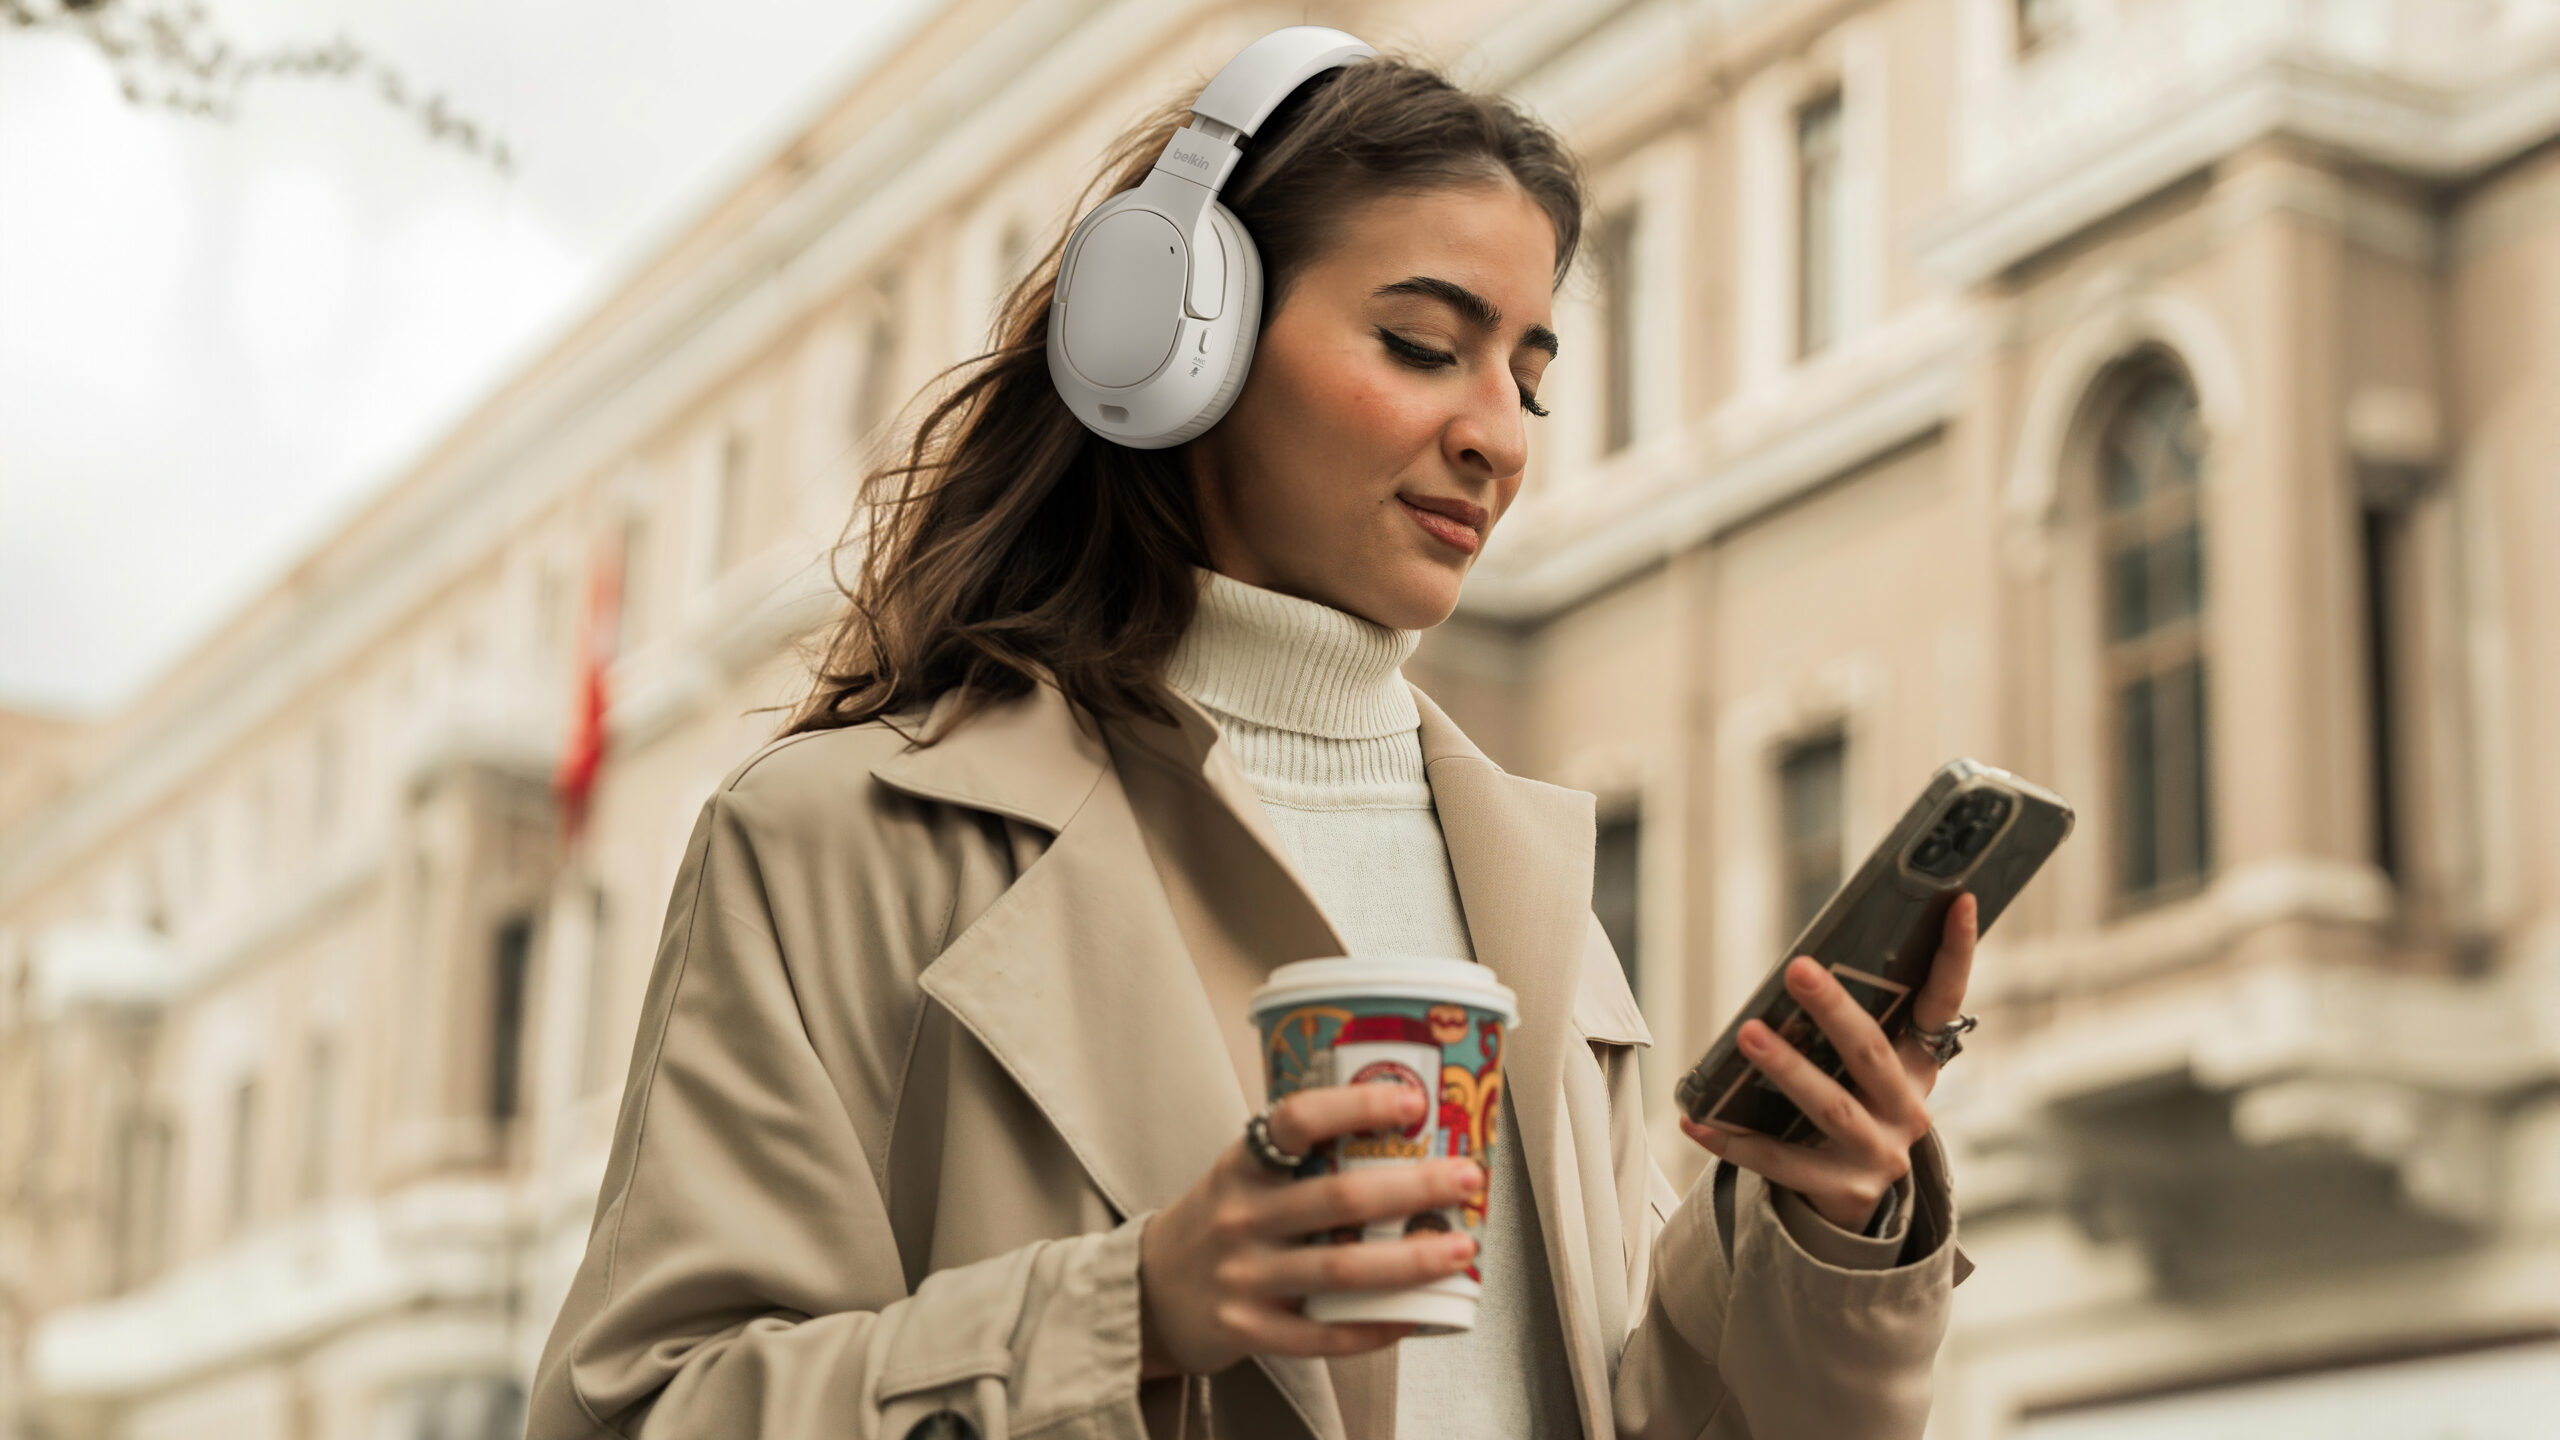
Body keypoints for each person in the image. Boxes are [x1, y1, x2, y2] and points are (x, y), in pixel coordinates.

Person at [527, 40, 1975, 1440]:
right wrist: (1133, 1310)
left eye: (1527, 379)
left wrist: (1824, 1233)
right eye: (1423, 346)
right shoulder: (843, 839)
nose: (1502, 438)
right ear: (1177, 342)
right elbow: (645, 1412)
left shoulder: (1528, 886)